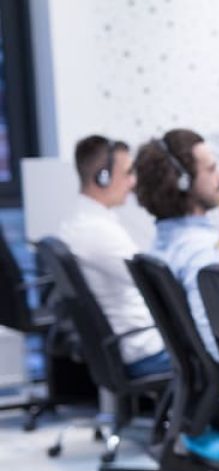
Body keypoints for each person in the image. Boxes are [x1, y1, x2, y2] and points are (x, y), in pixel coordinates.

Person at [58, 135, 170, 379]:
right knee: (217, 355)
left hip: (128, 343)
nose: (133, 182)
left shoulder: (81, 222)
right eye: (128, 173)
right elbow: (158, 287)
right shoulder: (98, 231)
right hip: (144, 350)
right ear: (103, 177)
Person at [134, 128, 219, 362]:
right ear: (183, 182)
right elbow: (215, 348)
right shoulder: (202, 253)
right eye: (212, 169)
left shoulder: (164, 244)